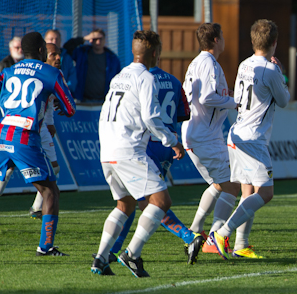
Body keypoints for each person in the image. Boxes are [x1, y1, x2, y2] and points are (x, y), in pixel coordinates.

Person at [0, 32, 75, 255]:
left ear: (23, 51)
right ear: (42, 50)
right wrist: (64, 108)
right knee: (50, 191)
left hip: (1, 134)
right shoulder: (51, 73)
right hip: (25, 136)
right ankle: (46, 246)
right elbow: (70, 107)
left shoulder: (7, 71)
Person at [90, 31, 186, 277]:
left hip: (108, 150)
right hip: (129, 150)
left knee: (125, 204)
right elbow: (151, 117)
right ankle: (132, 254)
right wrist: (173, 141)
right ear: (155, 52)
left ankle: (100, 258)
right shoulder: (146, 78)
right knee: (161, 202)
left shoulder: (119, 76)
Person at [105, 31, 205, 264]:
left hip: (146, 143)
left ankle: (186, 236)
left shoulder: (137, 79)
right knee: (143, 200)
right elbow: (184, 113)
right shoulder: (173, 80)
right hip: (167, 144)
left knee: (137, 199)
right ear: (157, 53)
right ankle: (118, 250)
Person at [209, 19, 290, 259]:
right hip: (253, 139)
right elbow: (284, 100)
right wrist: (282, 74)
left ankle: (240, 245)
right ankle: (222, 233)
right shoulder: (272, 69)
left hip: (236, 133)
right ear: (275, 43)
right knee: (266, 193)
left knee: (247, 192)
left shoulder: (244, 64)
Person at [181, 22, 241, 255]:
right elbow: (207, 97)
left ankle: (196, 229)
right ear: (216, 40)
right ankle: (215, 237)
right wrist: (234, 102)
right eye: (223, 35)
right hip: (204, 135)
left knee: (218, 183)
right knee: (233, 184)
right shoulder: (208, 63)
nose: (224, 39)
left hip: (199, 132)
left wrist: (229, 98)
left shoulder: (198, 62)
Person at [27, 42, 64, 218]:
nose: (58, 58)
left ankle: (37, 207)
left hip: (41, 127)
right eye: (53, 55)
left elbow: (49, 105)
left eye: (59, 54)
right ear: (43, 55)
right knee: (6, 169)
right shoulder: (35, 74)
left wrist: (50, 123)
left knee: (54, 168)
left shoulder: (57, 75)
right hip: (24, 127)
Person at [72, 28, 121, 102]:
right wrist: (84, 38)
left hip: (104, 100)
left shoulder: (113, 59)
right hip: (83, 100)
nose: (98, 42)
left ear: (105, 40)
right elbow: (67, 48)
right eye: (95, 39)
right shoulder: (82, 53)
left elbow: (118, 79)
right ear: (91, 40)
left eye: (100, 39)